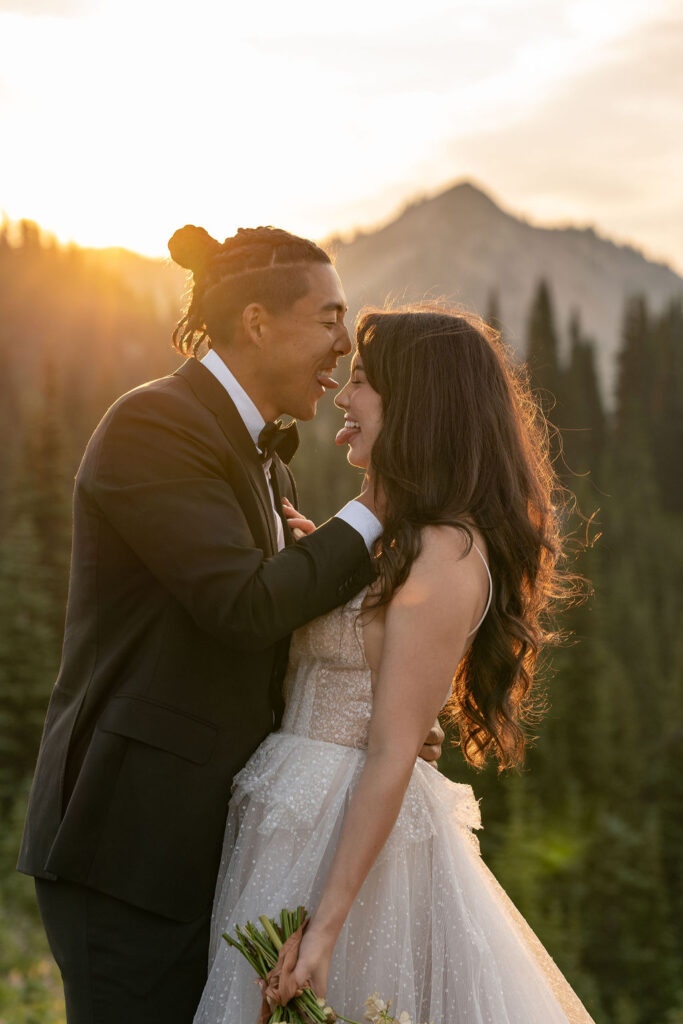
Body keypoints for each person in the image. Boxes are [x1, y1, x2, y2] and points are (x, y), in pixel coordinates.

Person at [17, 223, 445, 1024]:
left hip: (208, 843)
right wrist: (376, 509)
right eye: (327, 319)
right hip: (131, 848)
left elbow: (265, 629)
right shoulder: (155, 425)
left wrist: (380, 717)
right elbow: (242, 606)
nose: (341, 345)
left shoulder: (260, 457)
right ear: (255, 322)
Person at [194, 307, 596, 1024]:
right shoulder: (394, 541)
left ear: (417, 405)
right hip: (288, 816)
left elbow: (389, 748)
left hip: (348, 841)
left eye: (362, 383)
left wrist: (324, 928)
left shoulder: (446, 552)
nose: (343, 399)